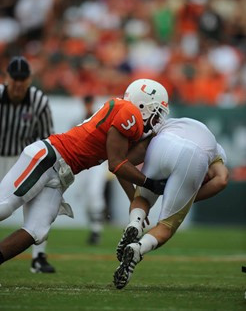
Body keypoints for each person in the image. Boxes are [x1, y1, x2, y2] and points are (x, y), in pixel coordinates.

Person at [0, 78, 169, 267]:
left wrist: (134, 200)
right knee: (4, 206)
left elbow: (122, 166)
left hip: (60, 173)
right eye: (157, 111)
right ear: (142, 104)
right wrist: (149, 183)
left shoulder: (129, 119)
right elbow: (116, 164)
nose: (157, 119)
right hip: (49, 157)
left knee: (37, 231)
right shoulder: (129, 112)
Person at [113, 116, 229, 289]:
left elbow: (122, 164)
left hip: (162, 141)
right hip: (194, 156)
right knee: (167, 225)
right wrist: (190, 199)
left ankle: (135, 223)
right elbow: (221, 180)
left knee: (143, 197)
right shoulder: (217, 152)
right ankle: (138, 249)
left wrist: (134, 198)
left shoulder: (170, 122)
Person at [0, 56, 56, 273]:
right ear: (7, 78)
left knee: (39, 203)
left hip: (23, 160)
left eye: (23, 79)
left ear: (30, 80)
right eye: (15, 79)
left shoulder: (39, 101)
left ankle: (39, 257)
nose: (18, 84)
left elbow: (46, 138)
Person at [76, 95, 110, 245]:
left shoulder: (99, 119)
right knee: (86, 196)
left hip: (97, 162)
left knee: (95, 193)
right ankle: (94, 227)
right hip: (84, 163)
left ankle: (97, 229)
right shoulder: (79, 120)